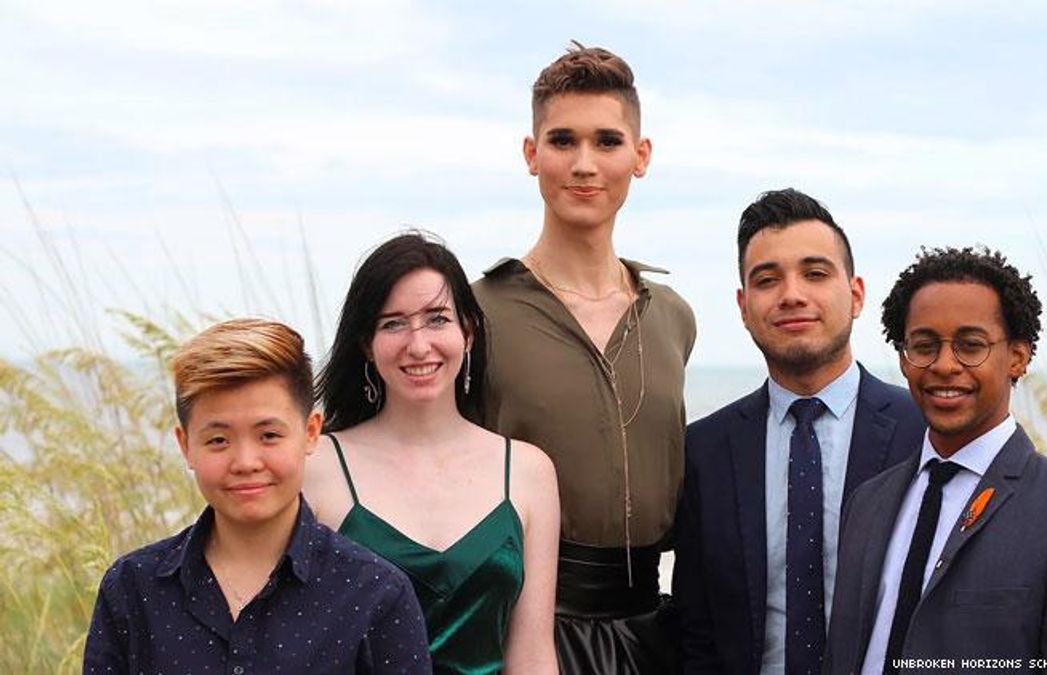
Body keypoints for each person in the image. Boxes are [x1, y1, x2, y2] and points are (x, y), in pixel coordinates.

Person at [472, 42, 695, 673]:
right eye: (563, 141)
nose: (584, 164)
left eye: (607, 142)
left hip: (656, 633)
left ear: (640, 156)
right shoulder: (475, 313)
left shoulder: (673, 316)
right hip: (521, 632)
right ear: (531, 154)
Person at [825, 247, 1047, 674]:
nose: (944, 365)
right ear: (903, 358)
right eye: (924, 346)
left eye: (971, 346)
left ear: (1018, 357)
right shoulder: (867, 503)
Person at [84, 318, 432, 674]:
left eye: (269, 435)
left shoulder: (375, 594)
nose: (246, 463)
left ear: (311, 432)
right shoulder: (131, 589)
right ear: (186, 445)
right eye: (218, 440)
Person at [673, 189, 925, 675]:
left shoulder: (923, 433)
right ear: (744, 306)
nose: (791, 294)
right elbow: (696, 629)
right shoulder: (705, 450)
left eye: (815, 274)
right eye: (767, 280)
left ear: (856, 294)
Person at [303, 232, 559, 675]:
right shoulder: (316, 466)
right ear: (367, 344)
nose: (418, 346)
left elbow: (532, 655)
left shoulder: (527, 472)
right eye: (393, 324)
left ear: (468, 332)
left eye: (437, 319)